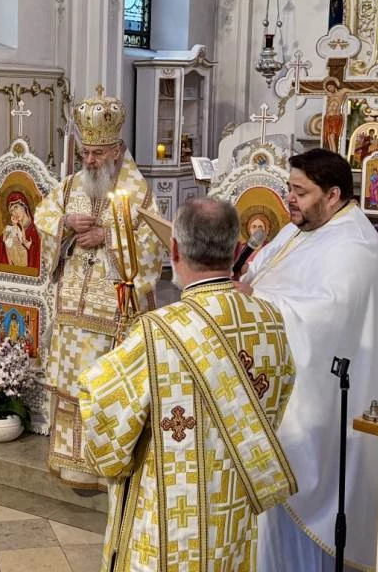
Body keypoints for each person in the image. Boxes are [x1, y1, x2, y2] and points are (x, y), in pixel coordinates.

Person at [80, 197, 297, 571]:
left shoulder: (155, 333)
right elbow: (279, 397)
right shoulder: (270, 320)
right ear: (234, 249)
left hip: (167, 521)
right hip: (233, 509)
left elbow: (103, 417)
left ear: (175, 250)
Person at [238, 148, 378, 571]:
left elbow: (326, 318)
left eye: (300, 191)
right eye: (289, 188)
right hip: (281, 383)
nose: (289, 199)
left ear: (332, 195)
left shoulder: (354, 245)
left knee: (297, 498)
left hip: (322, 397)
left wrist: (254, 299)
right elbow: (263, 268)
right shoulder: (303, 227)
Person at [33, 85, 164, 487]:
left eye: (98, 153)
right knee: (70, 381)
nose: (89, 160)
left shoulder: (138, 192)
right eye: (85, 153)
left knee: (101, 386)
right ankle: (69, 459)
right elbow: (41, 217)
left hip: (113, 311)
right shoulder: (70, 186)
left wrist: (109, 236)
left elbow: (154, 244)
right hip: (72, 306)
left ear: (117, 150)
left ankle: (102, 462)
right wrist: (65, 226)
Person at [0, 190, 41, 271]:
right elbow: (0, 243)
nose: (14, 213)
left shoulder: (37, 228)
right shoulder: (13, 230)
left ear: (24, 206)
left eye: (16, 207)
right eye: (11, 211)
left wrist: (30, 246)